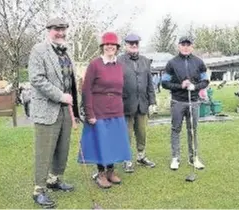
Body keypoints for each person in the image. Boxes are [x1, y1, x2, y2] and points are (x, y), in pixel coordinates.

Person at [28, 17, 79, 208]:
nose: (61, 33)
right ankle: (39, 190)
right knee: (44, 151)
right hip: (47, 109)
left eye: (64, 29)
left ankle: (54, 179)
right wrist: (60, 95)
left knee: (62, 148)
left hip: (66, 110)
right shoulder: (39, 50)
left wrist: (73, 103)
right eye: (57, 29)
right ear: (48, 29)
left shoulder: (66, 51)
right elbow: (37, 79)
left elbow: (71, 80)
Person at [78, 32, 131, 189]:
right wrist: (89, 113)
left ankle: (110, 171)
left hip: (116, 109)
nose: (110, 47)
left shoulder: (120, 66)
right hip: (98, 110)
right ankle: (101, 173)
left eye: (113, 45)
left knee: (113, 141)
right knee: (101, 142)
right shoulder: (95, 64)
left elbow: (122, 89)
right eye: (107, 44)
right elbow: (86, 90)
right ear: (102, 47)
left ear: (117, 48)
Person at [161, 36, 209, 170]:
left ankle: (193, 158)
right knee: (176, 129)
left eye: (188, 44)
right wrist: (180, 86)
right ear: (179, 46)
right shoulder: (172, 63)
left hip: (193, 102)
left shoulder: (199, 62)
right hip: (178, 102)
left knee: (192, 130)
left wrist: (195, 86)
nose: (186, 47)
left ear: (192, 46)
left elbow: (205, 81)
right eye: (183, 44)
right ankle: (175, 158)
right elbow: (165, 83)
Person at [118, 33, 157, 173]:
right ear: (126, 45)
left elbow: (150, 84)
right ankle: (127, 160)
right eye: (130, 43)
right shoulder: (118, 61)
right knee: (126, 134)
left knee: (142, 132)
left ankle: (141, 156)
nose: (134, 46)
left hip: (143, 104)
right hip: (126, 105)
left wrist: (152, 101)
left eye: (136, 43)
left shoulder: (146, 61)